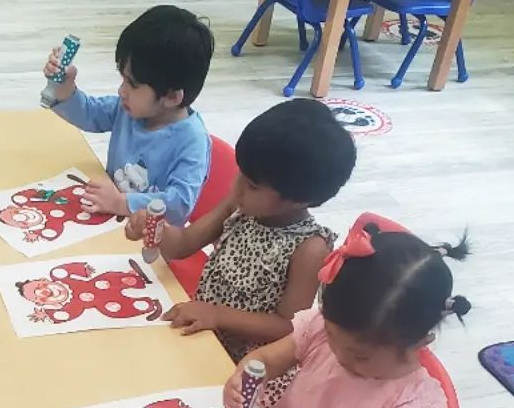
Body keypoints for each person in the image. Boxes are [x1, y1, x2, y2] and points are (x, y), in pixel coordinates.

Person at [224, 222, 468, 408]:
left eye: (359, 355)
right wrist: (244, 378)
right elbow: (266, 360)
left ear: (419, 342)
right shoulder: (325, 329)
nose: (337, 353)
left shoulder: (413, 398)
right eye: (330, 335)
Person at [126, 99, 355, 364]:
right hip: (202, 335)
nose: (237, 186)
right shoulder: (242, 203)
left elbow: (289, 327)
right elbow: (185, 243)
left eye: (252, 185)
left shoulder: (310, 248)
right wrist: (156, 229)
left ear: (297, 200)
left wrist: (217, 315)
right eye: (241, 174)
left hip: (245, 364)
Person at [44, 4, 214, 224]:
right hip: (108, 223)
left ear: (172, 97)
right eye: (123, 78)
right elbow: (88, 113)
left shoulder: (192, 141)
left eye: (132, 84)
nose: (121, 91)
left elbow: (179, 205)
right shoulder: (129, 109)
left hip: (149, 242)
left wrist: (122, 203)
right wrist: (65, 87)